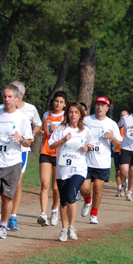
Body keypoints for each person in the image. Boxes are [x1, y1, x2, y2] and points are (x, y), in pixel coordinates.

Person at [0, 84, 34, 239]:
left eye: (10, 96)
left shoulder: (22, 118)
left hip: (12, 163)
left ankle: (3, 226)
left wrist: (21, 139)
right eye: (4, 96)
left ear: (17, 97)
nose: (6, 99)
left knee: (7, 197)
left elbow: (29, 142)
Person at [0, 81, 42, 230]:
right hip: (3, 152)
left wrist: (31, 136)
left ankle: (13, 216)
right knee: (4, 184)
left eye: (13, 93)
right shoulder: (0, 109)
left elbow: (38, 124)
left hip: (21, 151)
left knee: (17, 182)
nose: (8, 97)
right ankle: (4, 212)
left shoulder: (30, 109)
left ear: (19, 95)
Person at [48, 103, 94, 241]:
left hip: (79, 168)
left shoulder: (85, 130)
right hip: (63, 168)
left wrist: (87, 148)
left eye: (76, 112)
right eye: (71, 112)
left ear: (80, 115)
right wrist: (63, 140)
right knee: (63, 201)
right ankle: (63, 228)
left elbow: (91, 143)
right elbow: (51, 145)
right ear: (67, 114)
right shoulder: (61, 129)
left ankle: (72, 227)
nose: (73, 114)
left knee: (71, 194)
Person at [79, 97, 122, 224]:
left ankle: (94, 214)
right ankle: (87, 201)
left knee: (98, 188)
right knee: (84, 188)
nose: (100, 107)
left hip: (102, 162)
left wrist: (112, 137)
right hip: (86, 161)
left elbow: (119, 145)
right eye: (98, 105)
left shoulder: (112, 124)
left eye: (103, 105)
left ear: (107, 108)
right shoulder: (87, 120)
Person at [36, 91, 67, 227]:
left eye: (61, 102)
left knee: (55, 187)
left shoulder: (66, 117)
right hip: (46, 151)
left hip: (59, 153)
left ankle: (54, 209)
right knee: (44, 184)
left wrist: (58, 130)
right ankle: (43, 213)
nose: (57, 104)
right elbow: (42, 132)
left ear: (64, 104)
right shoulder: (46, 115)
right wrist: (41, 133)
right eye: (56, 101)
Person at [113, 110, 129, 196]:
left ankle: (125, 185)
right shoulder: (116, 127)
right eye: (121, 116)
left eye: (124, 116)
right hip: (117, 150)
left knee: (124, 171)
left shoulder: (129, 128)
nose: (122, 118)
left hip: (126, 151)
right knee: (118, 171)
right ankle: (119, 188)